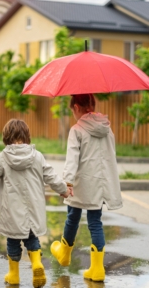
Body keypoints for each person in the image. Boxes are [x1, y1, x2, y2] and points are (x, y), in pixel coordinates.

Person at [0, 119, 73, 288]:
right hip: (33, 209)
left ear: (6, 137)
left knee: (13, 241)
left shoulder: (3, 158)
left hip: (12, 211)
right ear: (26, 136)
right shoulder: (37, 156)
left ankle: (14, 275)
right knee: (32, 238)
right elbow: (51, 176)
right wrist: (64, 190)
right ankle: (37, 264)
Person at [50, 94, 123, 282]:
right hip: (99, 185)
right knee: (95, 222)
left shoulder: (77, 130)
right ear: (93, 104)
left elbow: (72, 159)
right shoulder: (107, 129)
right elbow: (109, 157)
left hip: (80, 184)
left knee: (72, 217)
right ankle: (97, 270)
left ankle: (64, 254)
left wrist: (66, 183)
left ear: (75, 107)